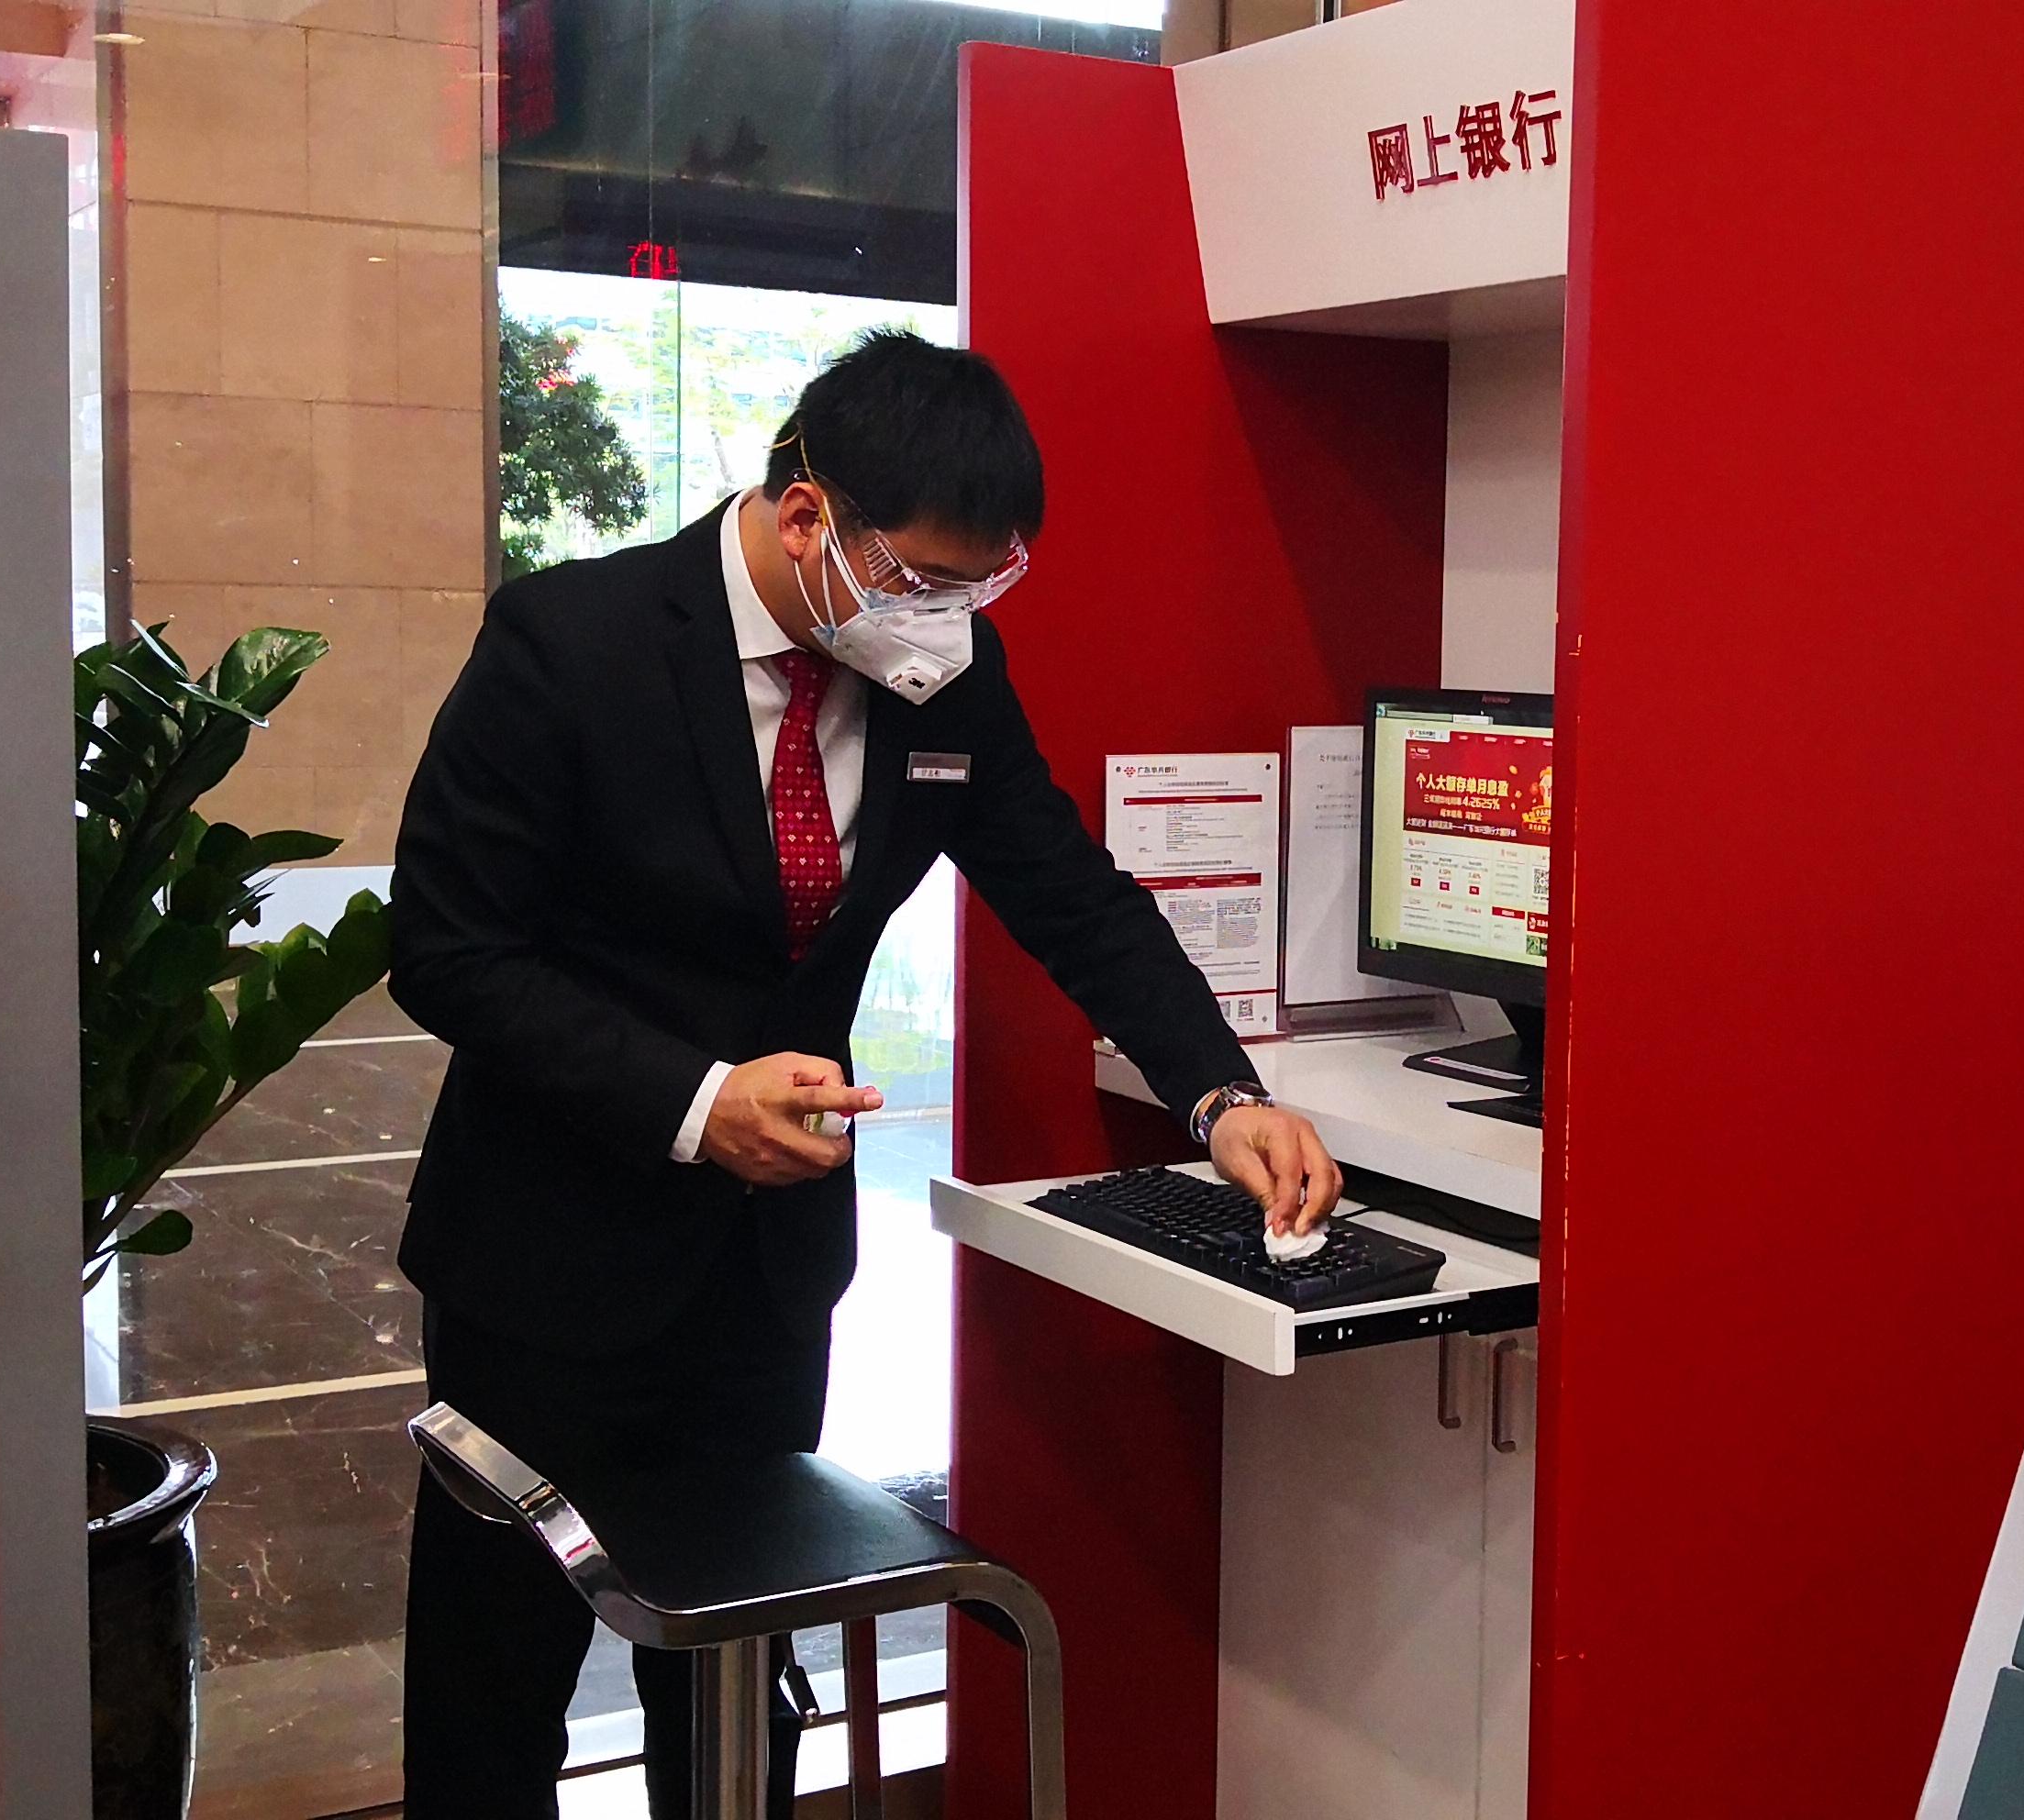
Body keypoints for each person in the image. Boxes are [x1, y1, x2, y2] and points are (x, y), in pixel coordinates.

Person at [386, 329, 1343, 1817]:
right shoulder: (570, 643)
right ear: (804, 516)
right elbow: (448, 950)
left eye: (979, 589)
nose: (941, 620)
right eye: (918, 580)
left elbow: (1073, 897)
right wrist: (698, 1103)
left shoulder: (938, 678)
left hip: (763, 1276)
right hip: (547, 1261)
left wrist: (1223, 1096)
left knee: (736, 1685)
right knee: (494, 1691)